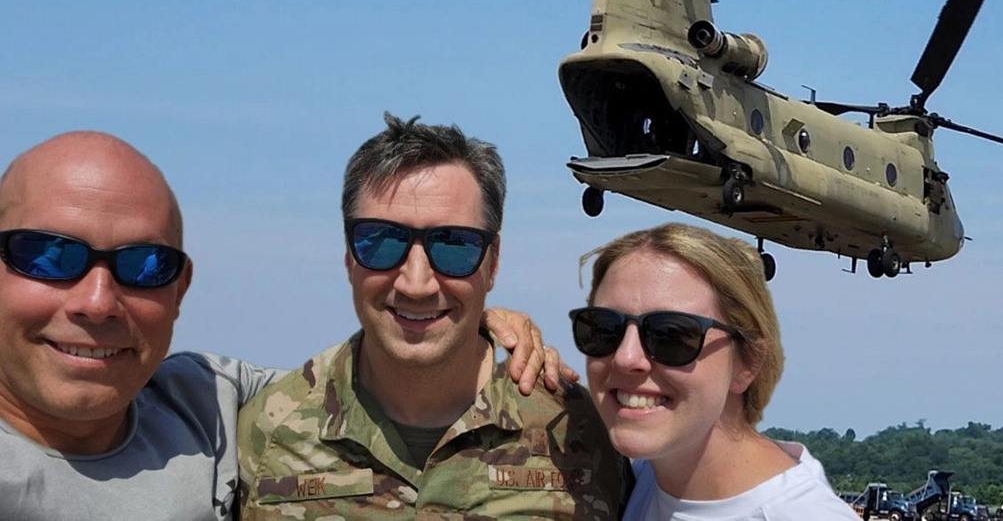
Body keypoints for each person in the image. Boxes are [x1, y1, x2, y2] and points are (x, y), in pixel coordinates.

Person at [0, 131, 556, 521]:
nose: (97, 302)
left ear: (179, 289)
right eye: (47, 256)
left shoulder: (208, 407)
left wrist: (471, 322)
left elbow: (373, 376)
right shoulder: (245, 426)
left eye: (144, 266)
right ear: (348, 256)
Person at [237, 114, 629, 519]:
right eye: (382, 242)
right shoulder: (266, 431)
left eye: (454, 246)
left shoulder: (580, 433)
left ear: (492, 263)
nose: (416, 283)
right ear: (349, 257)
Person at [572, 222, 861, 520]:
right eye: (603, 328)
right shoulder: (643, 477)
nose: (625, 357)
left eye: (671, 334)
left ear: (747, 362)